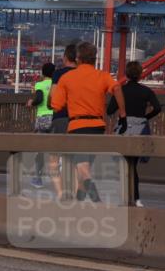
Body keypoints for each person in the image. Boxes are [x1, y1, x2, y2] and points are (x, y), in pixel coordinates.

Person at [50, 41, 126, 202]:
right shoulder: (103, 76)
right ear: (94, 58)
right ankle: (79, 201)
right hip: (98, 127)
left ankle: (96, 200)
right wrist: (123, 114)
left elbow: (56, 106)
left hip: (76, 126)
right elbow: (117, 88)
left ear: (78, 59)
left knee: (82, 168)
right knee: (84, 166)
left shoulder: (67, 77)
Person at [108, 61, 161, 207]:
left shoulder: (120, 90)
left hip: (124, 129)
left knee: (122, 166)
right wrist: (145, 118)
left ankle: (124, 197)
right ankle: (136, 198)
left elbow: (109, 110)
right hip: (139, 129)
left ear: (126, 74)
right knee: (133, 165)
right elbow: (157, 108)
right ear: (140, 74)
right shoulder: (146, 91)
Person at [46, 44, 78, 197]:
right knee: (74, 160)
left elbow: (52, 97)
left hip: (60, 117)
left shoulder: (58, 74)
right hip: (77, 120)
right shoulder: (81, 73)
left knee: (53, 159)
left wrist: (49, 104)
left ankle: (60, 193)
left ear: (65, 57)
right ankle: (75, 191)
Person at [26, 62, 56, 188]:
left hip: (43, 118)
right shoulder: (56, 85)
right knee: (56, 148)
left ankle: (38, 179)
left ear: (43, 73)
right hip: (55, 118)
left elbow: (39, 98)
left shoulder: (40, 84)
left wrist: (31, 102)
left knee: (40, 150)